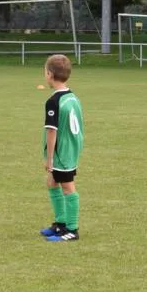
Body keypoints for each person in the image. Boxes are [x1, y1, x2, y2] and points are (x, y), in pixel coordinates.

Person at [41, 54, 84, 241]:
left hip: (61, 152)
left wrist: (50, 158)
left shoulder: (53, 101)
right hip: (71, 148)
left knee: (67, 187)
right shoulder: (72, 97)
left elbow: (52, 131)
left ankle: (72, 229)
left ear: (50, 74)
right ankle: (60, 223)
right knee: (52, 182)